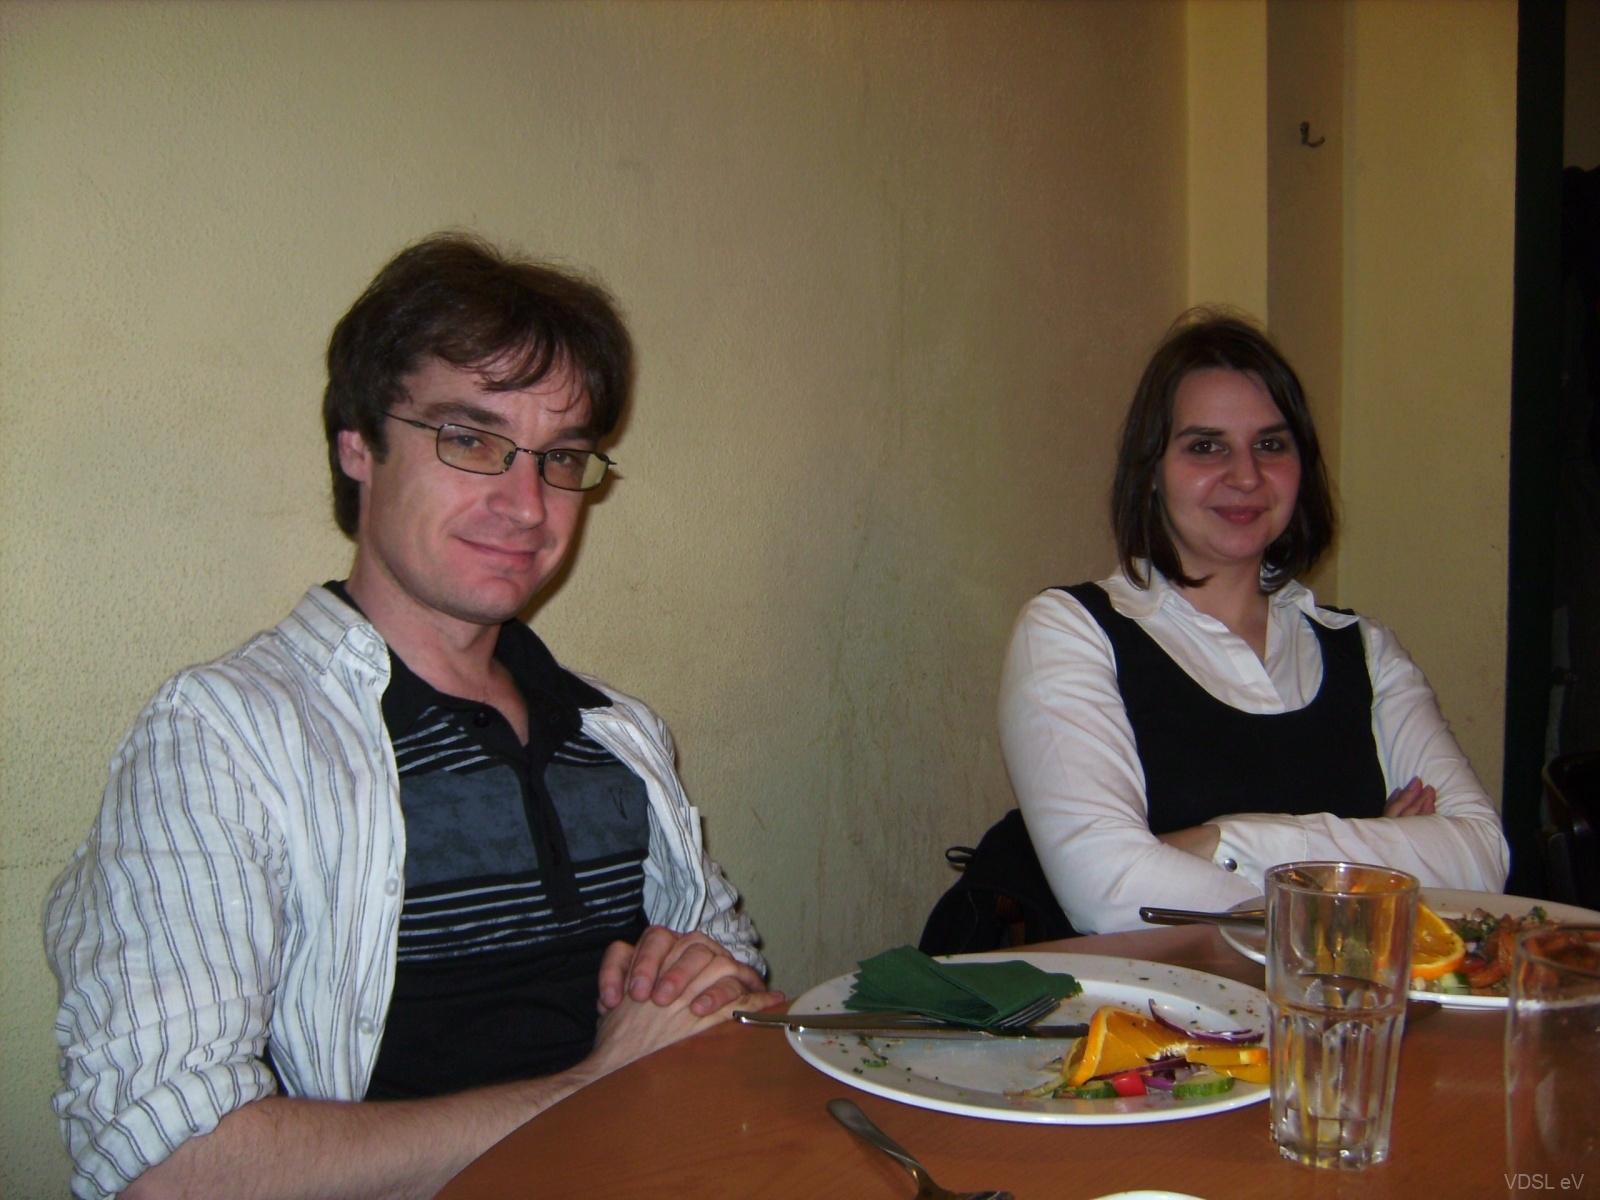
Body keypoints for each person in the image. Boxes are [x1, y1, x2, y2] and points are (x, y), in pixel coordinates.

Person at [44, 233, 782, 1200]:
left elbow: (734, 997)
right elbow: (171, 1166)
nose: (528, 506)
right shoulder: (225, 739)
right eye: (471, 441)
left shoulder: (620, 735)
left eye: (562, 457)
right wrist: (589, 1089)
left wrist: (701, 982)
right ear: (358, 443)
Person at [997, 310, 1511, 935]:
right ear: (1151, 470)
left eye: (1270, 445)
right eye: (1205, 446)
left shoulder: (1366, 651)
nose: (1245, 476)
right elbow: (1110, 893)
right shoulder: (1070, 632)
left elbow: (1483, 860)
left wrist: (1218, 842)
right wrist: (1368, 870)